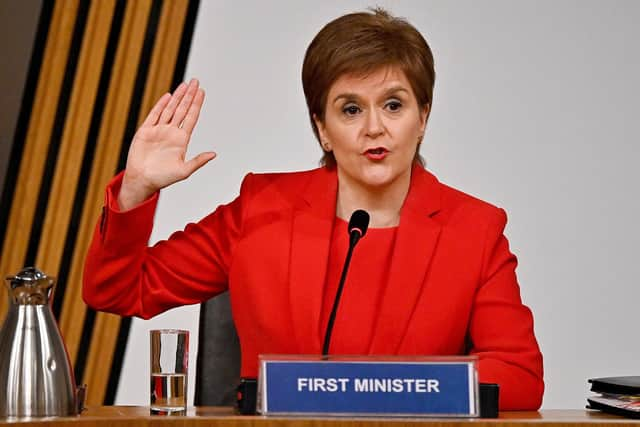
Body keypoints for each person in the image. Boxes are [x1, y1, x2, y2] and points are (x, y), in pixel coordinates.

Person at [83, 8, 544, 410]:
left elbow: (520, 377)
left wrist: (388, 392)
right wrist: (136, 192)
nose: (374, 128)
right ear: (322, 128)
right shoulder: (262, 210)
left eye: (393, 105)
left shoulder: (475, 230)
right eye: (350, 110)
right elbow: (119, 290)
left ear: (422, 118)